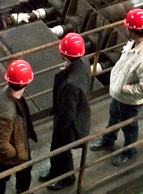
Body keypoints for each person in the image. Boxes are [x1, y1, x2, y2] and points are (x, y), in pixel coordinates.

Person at [89, 8, 143, 166]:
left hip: (130, 101)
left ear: (132, 31)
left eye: (127, 27)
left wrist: (124, 89)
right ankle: (108, 140)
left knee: (129, 126)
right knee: (114, 116)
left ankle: (129, 152)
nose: (125, 28)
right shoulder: (134, 42)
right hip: (119, 94)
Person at [39, 32, 91, 190]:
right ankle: (55, 170)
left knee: (61, 148)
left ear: (63, 54)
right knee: (57, 147)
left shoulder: (70, 84)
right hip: (77, 112)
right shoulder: (84, 62)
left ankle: (67, 178)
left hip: (70, 123)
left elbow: (67, 114)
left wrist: (58, 129)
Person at [0, 59, 37, 194]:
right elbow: (1, 143)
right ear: (26, 83)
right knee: (23, 173)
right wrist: (17, 153)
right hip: (13, 152)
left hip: (13, 144)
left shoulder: (6, 92)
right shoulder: (8, 113)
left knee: (1, 174)